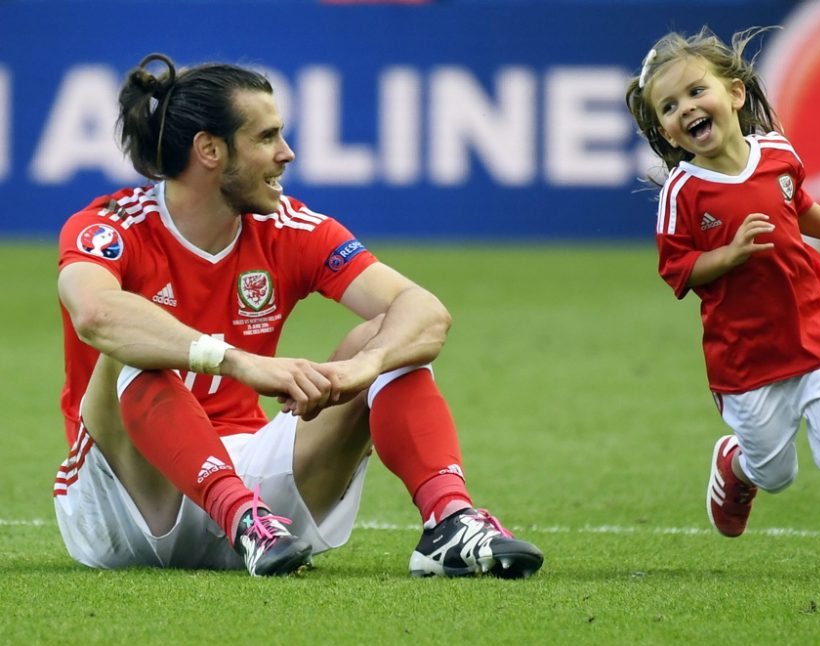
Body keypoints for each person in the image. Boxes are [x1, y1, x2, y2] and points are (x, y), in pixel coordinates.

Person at [53, 53, 544, 579]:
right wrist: (236, 362)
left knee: (388, 335)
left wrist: (367, 366)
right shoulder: (110, 225)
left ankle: (450, 521)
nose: (286, 154)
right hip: (128, 502)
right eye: (266, 138)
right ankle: (239, 516)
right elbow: (97, 313)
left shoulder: (291, 227)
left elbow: (424, 312)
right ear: (210, 149)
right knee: (132, 350)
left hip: (262, 502)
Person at [624, 27, 820, 579]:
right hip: (746, 356)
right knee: (775, 473)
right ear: (665, 132)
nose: (687, 109)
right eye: (670, 107)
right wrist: (727, 255)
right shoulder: (683, 193)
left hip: (814, 329)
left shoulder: (775, 152)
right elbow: (677, 269)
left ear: (734, 93)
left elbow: (797, 205)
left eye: (696, 92)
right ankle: (736, 465)